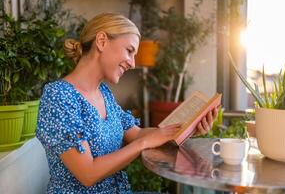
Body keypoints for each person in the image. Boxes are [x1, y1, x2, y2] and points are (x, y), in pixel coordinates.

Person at [36, 12, 218, 194]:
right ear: (101, 41)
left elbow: (137, 134)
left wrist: (187, 129)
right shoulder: (58, 96)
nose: (132, 63)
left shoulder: (104, 94)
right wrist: (143, 143)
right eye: (129, 51)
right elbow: (87, 174)